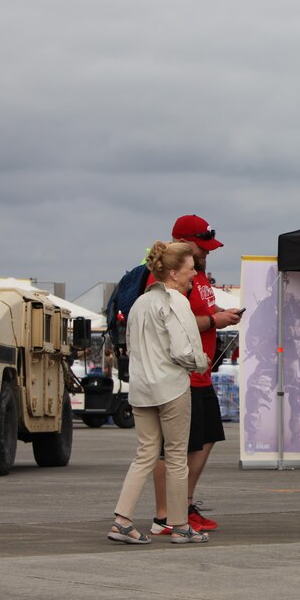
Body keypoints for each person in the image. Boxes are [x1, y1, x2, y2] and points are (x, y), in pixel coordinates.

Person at [108, 241, 209, 545]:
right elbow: (182, 350)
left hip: (141, 388)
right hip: (171, 386)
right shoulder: (177, 302)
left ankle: (122, 520)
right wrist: (201, 363)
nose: (195, 275)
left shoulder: (139, 303)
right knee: (176, 456)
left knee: (145, 455)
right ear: (175, 273)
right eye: (191, 269)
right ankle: (179, 525)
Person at [149, 215, 243, 536]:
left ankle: (184, 504)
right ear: (183, 243)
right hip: (179, 374)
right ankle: (165, 514)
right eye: (202, 247)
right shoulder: (164, 281)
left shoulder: (199, 277)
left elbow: (197, 314)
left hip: (201, 373)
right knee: (172, 447)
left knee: (205, 438)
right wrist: (216, 321)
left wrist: (217, 317)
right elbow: (175, 323)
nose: (207, 253)